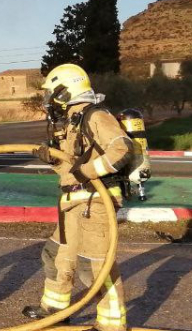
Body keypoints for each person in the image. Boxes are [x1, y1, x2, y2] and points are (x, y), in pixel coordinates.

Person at [23, 63, 131, 331]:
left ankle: (111, 324)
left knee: (95, 266)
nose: (49, 100)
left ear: (64, 91)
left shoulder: (96, 116)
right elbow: (72, 168)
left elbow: (121, 149)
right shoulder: (76, 119)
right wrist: (54, 160)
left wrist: (88, 171)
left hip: (95, 202)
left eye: (51, 94)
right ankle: (55, 310)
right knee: (55, 255)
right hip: (75, 202)